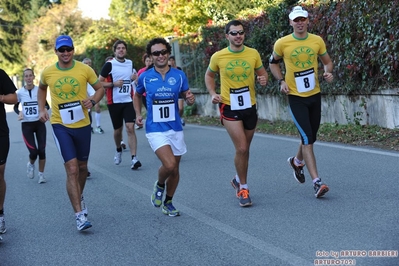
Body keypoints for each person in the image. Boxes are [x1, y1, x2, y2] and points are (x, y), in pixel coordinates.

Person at [38, 35, 105, 231]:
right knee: (73, 169)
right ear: (56, 52)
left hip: (83, 124)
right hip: (61, 125)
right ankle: (79, 215)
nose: (65, 53)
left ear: (73, 50)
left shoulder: (84, 69)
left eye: (68, 49)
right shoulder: (48, 72)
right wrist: (43, 109)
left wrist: (92, 100)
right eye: (62, 50)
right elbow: (41, 89)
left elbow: (99, 89)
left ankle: (78, 194)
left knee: (83, 167)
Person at [269, 6, 334, 198]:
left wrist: (328, 71)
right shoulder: (282, 43)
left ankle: (297, 161)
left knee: (311, 135)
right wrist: (281, 81)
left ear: (307, 21)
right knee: (307, 139)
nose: (299, 23)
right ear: (290, 22)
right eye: (295, 20)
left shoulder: (317, 40)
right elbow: (273, 62)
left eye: (302, 19)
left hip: (314, 94)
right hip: (296, 97)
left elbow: (327, 62)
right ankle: (317, 182)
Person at [204, 20, 268, 207]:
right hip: (229, 105)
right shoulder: (219, 56)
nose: (238, 36)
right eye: (234, 33)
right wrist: (213, 93)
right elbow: (209, 75)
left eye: (240, 32)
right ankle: (243, 188)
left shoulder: (253, 53)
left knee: (245, 149)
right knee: (241, 148)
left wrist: (263, 79)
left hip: (249, 105)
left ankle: (236, 178)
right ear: (227, 36)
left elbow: (262, 74)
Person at [134, 37, 195, 216]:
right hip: (155, 128)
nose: (160, 56)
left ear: (168, 54)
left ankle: (168, 201)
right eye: (156, 53)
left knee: (175, 169)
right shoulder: (144, 77)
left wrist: (191, 99)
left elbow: (187, 96)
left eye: (163, 52)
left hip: (175, 127)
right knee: (168, 165)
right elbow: (137, 95)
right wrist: (138, 114)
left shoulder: (178, 75)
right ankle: (159, 184)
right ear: (150, 57)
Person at [99, 40, 141, 170]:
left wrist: (136, 79)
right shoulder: (109, 65)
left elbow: (136, 81)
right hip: (114, 102)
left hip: (128, 101)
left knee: (130, 128)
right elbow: (98, 83)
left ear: (126, 50)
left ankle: (134, 158)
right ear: (115, 51)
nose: (121, 50)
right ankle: (118, 149)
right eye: (118, 48)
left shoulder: (130, 63)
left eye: (123, 48)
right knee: (118, 130)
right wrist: (113, 84)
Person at [14, 68, 49, 184]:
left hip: (39, 123)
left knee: (42, 150)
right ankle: (31, 164)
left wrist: (44, 111)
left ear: (34, 77)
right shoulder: (19, 93)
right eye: (26, 76)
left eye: (30, 76)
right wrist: (19, 112)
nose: (28, 78)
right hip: (27, 125)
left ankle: (41, 175)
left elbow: (47, 105)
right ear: (24, 78)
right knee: (33, 152)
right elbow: (15, 106)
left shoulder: (39, 90)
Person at [0, 69, 18, 241]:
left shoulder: (0, 74)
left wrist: (2, 98)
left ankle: (0, 214)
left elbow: (14, 98)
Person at [82, 58, 104, 134]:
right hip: (85, 89)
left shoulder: (93, 71)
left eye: (89, 63)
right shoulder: (80, 71)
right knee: (89, 109)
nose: (88, 65)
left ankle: (98, 126)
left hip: (93, 89)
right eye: (86, 63)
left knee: (97, 107)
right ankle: (89, 126)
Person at [168, 55, 185, 126]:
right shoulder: (167, 70)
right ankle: (174, 121)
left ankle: (179, 118)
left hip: (179, 91)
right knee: (173, 108)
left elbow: (182, 79)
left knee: (180, 108)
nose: (171, 62)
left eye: (172, 60)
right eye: (170, 60)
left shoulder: (179, 69)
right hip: (171, 92)